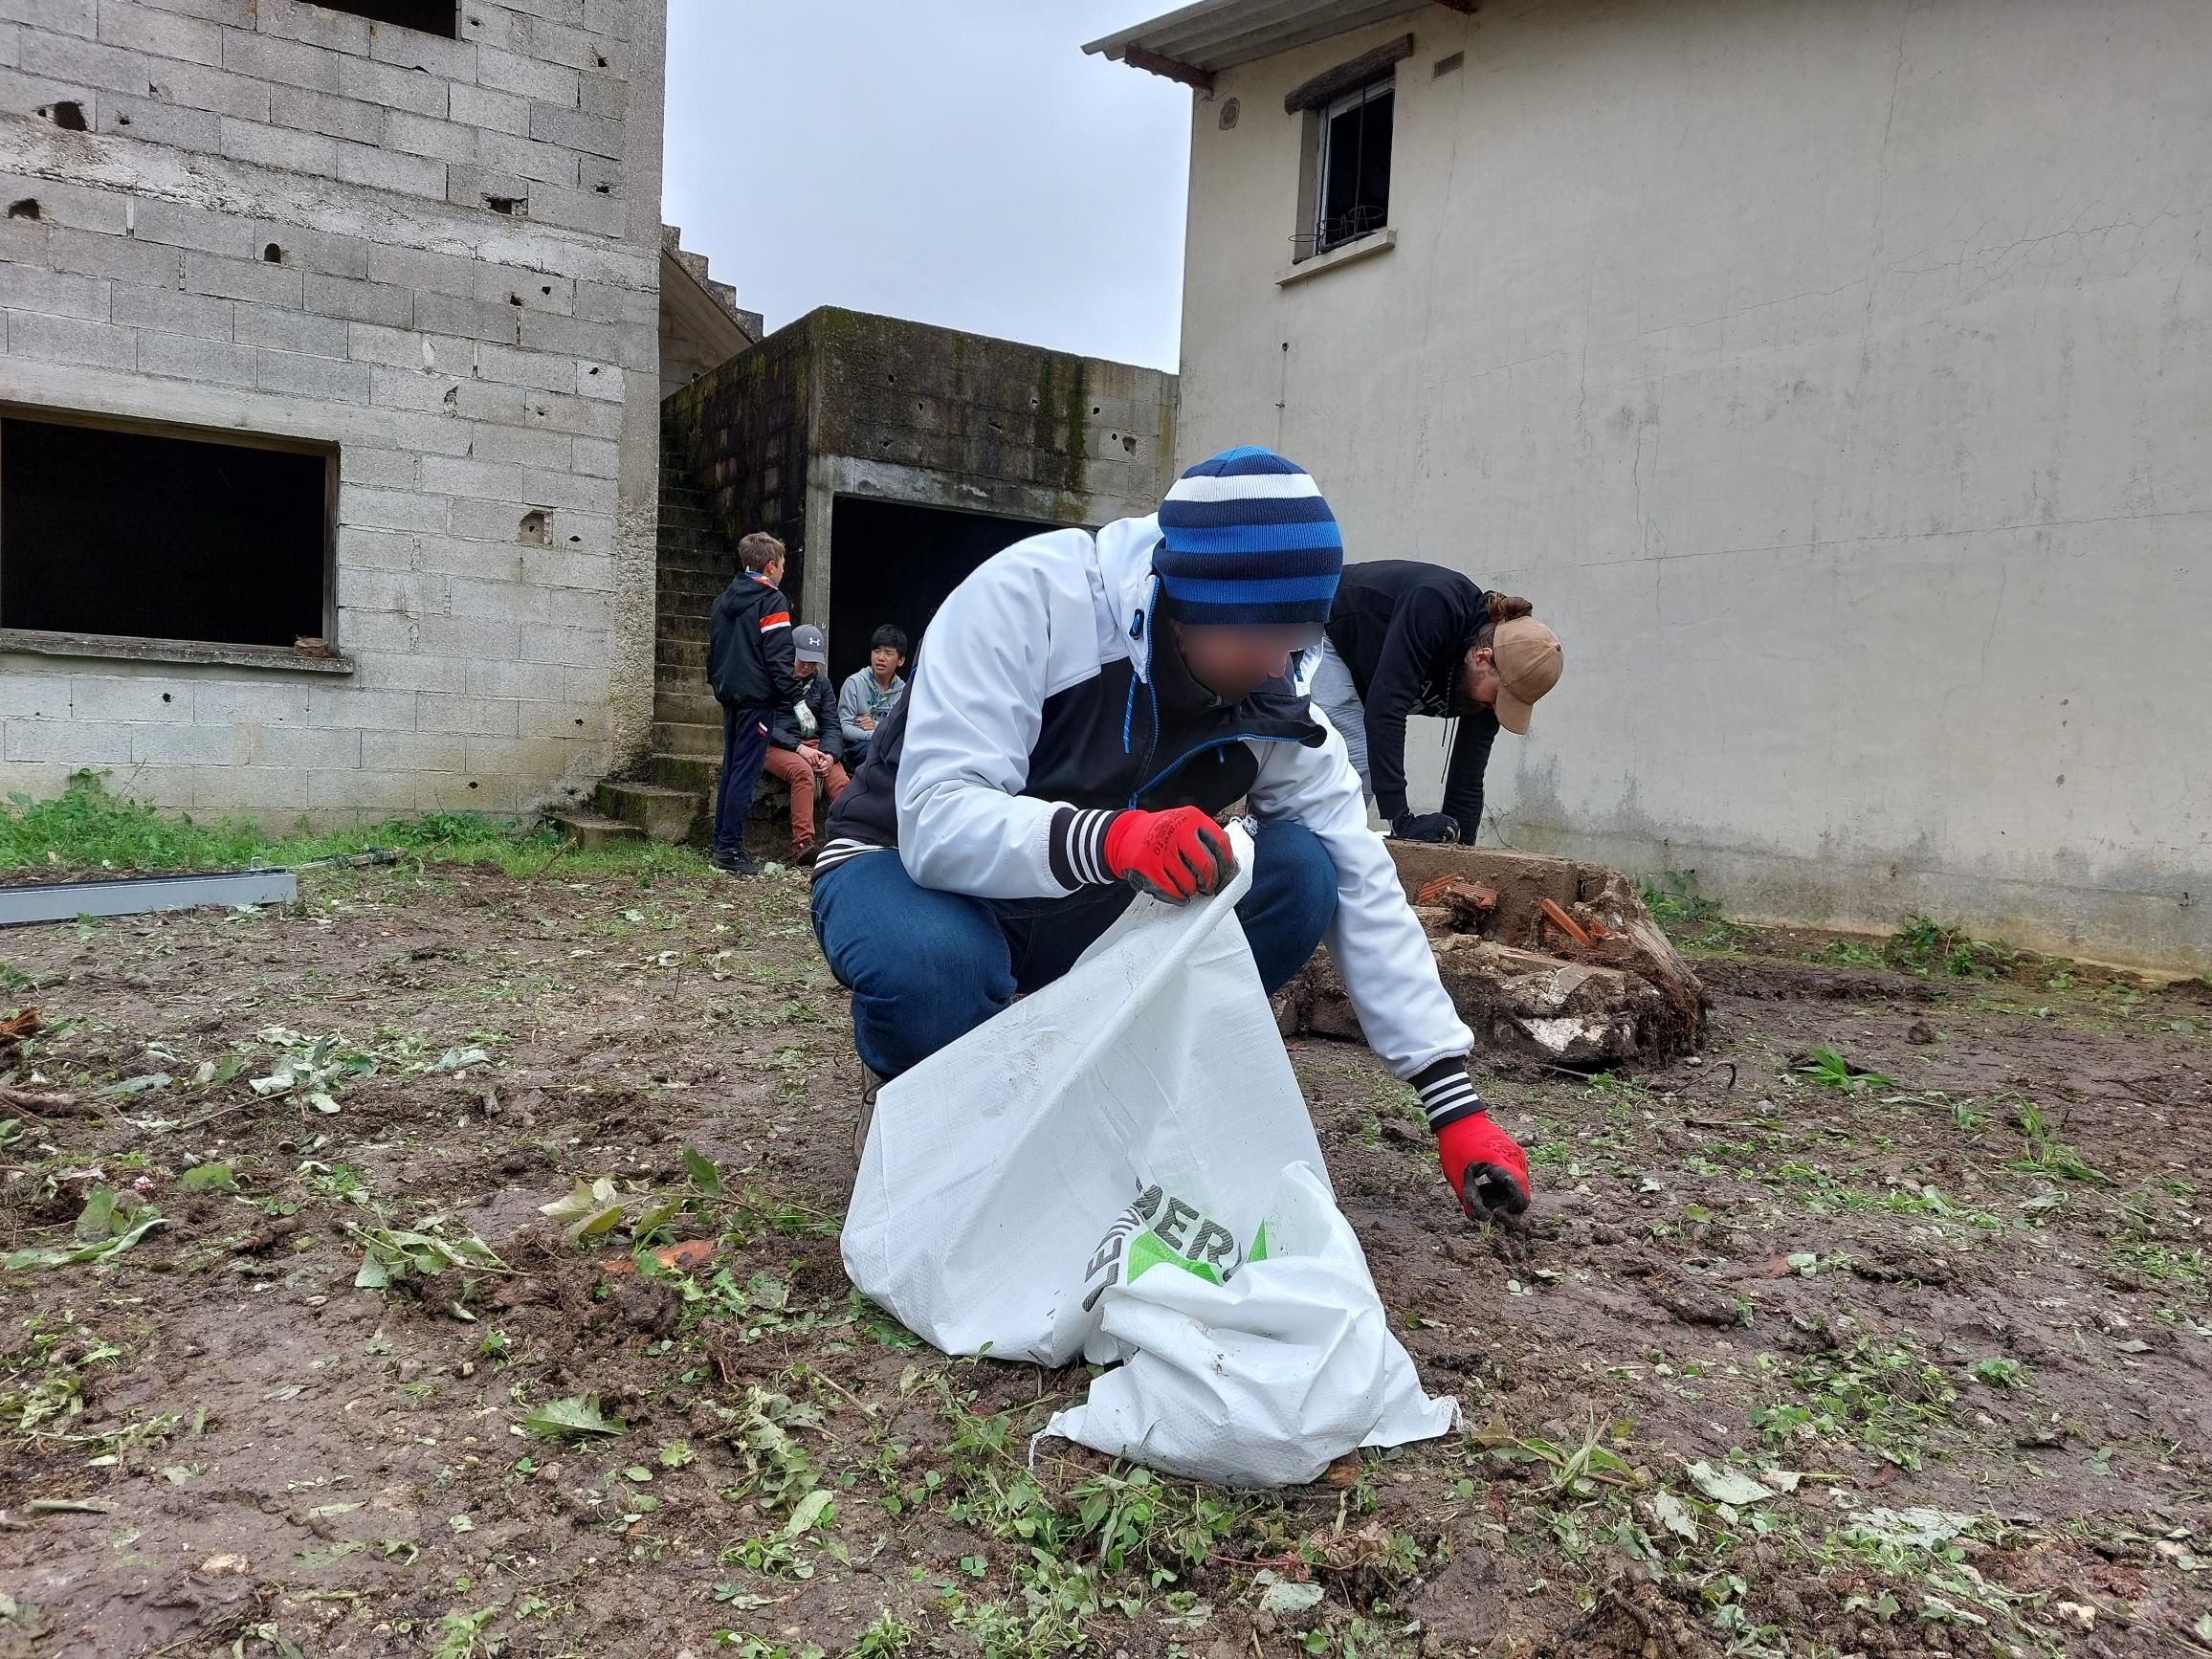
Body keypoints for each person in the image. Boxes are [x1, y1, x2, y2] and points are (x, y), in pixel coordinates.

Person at [810, 447, 1531, 1228]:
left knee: (1301, 872)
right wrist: (1114, 838)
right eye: (1261, 633)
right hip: (907, 870)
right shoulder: (1031, 599)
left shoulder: (1275, 698)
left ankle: (1114, 1101)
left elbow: (1363, 876)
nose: (1278, 663)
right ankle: (918, 1122)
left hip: (1086, 900)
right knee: (937, 966)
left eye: (1300, 633)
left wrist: (1449, 1098)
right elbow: (940, 819)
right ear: (1188, 599)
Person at [1307, 563, 1563, 845]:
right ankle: (1320, 856)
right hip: (1319, 625)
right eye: (1499, 697)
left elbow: (1468, 773)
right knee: (1358, 755)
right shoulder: (1435, 605)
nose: (1495, 708)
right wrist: (1400, 820)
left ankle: (1331, 847)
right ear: (1482, 658)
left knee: (1356, 761)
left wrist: (1460, 854)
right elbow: (1385, 712)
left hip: (1363, 664)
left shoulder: (1494, 683)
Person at [705, 530, 805, 877]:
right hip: (757, 700)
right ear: (771, 565)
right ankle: (729, 850)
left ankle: (720, 841)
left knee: (731, 769)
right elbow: (779, 656)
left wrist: (717, 686)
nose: (783, 572)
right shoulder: (772, 600)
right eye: (782, 565)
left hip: (729, 696)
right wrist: (797, 700)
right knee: (745, 775)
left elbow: (714, 651)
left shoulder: (722, 601)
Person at [763, 623, 851, 866]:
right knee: (802, 773)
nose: (807, 666)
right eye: (802, 659)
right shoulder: (771, 678)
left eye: (812, 661)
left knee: (840, 780)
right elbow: (766, 723)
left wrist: (830, 755)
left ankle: (847, 839)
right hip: (778, 745)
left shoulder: (822, 684)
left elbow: (833, 724)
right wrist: (799, 748)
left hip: (816, 744)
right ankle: (802, 843)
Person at [837, 625, 909, 766]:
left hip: (888, 745)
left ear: (900, 660)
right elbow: (843, 727)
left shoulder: (904, 691)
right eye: (877, 651)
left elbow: (903, 728)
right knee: (878, 752)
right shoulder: (854, 683)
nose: (881, 658)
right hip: (857, 746)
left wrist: (877, 726)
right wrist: (877, 736)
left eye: (888, 653)